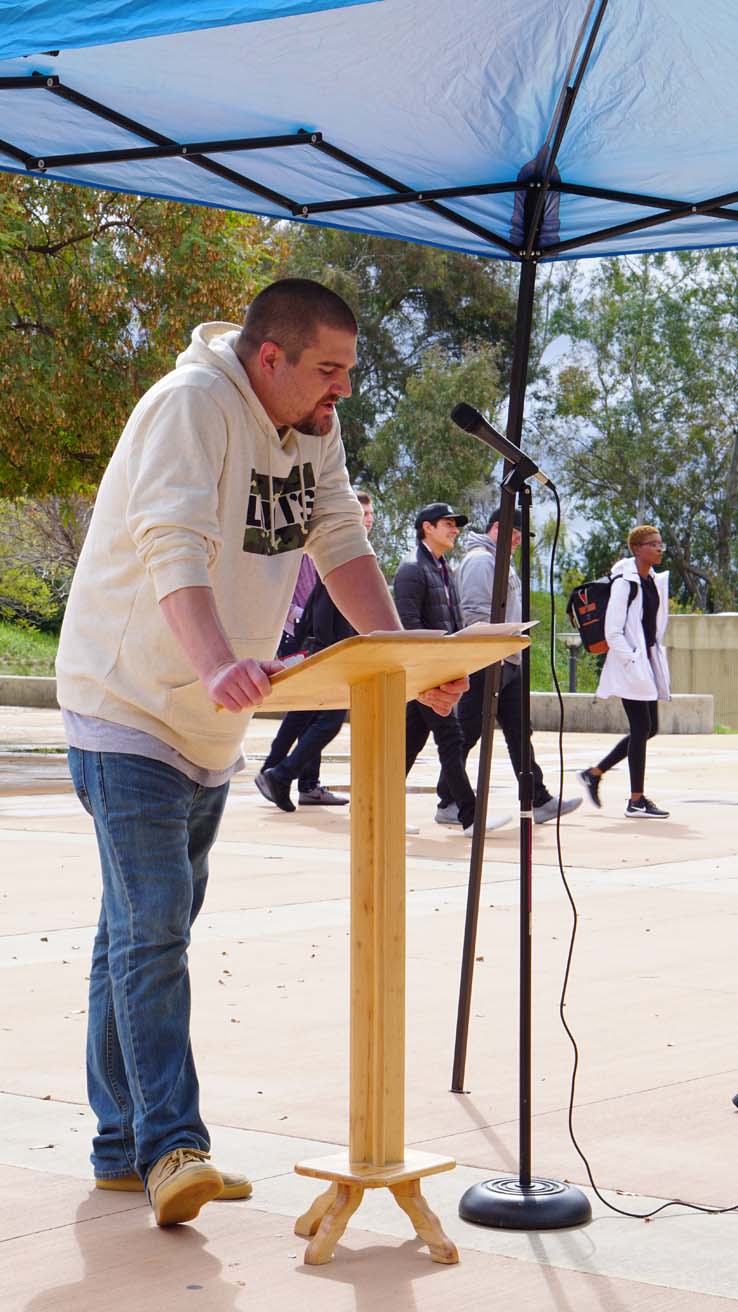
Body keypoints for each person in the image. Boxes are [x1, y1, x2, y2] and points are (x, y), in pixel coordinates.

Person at [56, 279, 466, 1227]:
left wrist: (404, 664)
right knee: (154, 922)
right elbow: (172, 547)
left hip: (208, 721)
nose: (344, 391)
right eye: (329, 370)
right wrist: (218, 665)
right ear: (269, 357)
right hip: (128, 705)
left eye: (349, 372)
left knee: (138, 928)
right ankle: (172, 1147)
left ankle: (119, 1142)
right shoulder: (191, 406)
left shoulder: (312, 428)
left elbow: (338, 542)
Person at [437, 506, 582, 825]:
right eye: (515, 535)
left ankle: (538, 798)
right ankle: (448, 800)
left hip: (507, 659)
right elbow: (475, 613)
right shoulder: (479, 561)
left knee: (519, 732)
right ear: (498, 529)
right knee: (468, 732)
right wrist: (491, 653)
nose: (518, 542)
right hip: (487, 660)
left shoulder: (500, 561)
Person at [394, 502, 510, 837]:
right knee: (451, 737)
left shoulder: (444, 568)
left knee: (410, 743)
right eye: (447, 523)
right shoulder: (412, 568)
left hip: (440, 671)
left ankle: (381, 809)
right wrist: (425, 672)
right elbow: (409, 626)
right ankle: (470, 817)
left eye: (456, 525)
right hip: (425, 673)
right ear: (426, 527)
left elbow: (454, 622)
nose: (454, 529)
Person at [255, 492, 374, 809]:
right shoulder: (325, 559)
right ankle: (281, 774)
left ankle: (288, 776)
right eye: (361, 513)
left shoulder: (344, 559)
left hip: (321, 649)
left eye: (369, 513)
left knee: (303, 715)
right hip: (316, 650)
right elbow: (309, 611)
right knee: (324, 720)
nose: (368, 519)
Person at [577, 525, 670, 817]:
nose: (659, 548)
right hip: (629, 665)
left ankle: (594, 772)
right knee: (641, 728)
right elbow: (612, 631)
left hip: (646, 662)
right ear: (637, 549)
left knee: (650, 727)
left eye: (660, 544)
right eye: (653, 544)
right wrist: (632, 660)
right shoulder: (624, 583)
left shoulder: (652, 581)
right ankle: (636, 799)